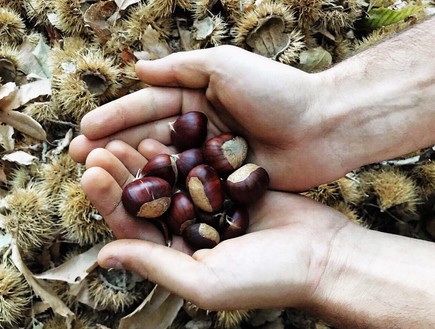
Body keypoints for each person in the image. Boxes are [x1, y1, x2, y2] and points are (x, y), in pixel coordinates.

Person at [69, 16, 435, 328]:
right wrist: (325, 113)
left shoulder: (194, 175)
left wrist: (328, 268)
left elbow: (189, 178)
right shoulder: (199, 180)